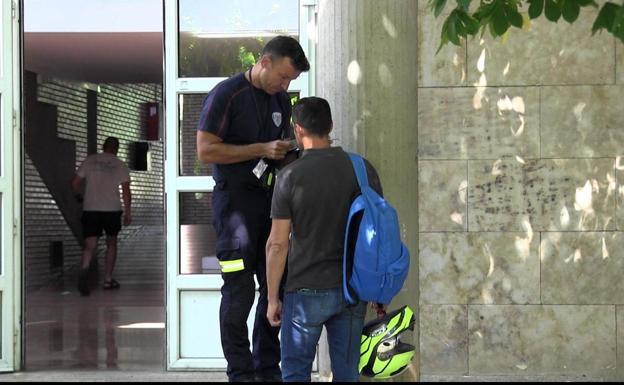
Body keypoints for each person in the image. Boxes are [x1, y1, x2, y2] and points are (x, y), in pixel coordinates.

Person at [196, 35, 310, 382]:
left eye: (291, 80)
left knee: (274, 289)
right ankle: (241, 373)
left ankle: (266, 369)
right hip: (234, 209)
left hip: (270, 205)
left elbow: (281, 154)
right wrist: (260, 148)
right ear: (264, 62)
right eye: (283, 76)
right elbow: (206, 150)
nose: (285, 85)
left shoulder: (280, 100)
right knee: (239, 291)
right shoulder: (226, 94)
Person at [265, 97, 384, 382]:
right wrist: (379, 292)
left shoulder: (290, 176)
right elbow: (377, 233)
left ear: (298, 130)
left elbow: (277, 244)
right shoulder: (362, 169)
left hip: (305, 291)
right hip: (352, 290)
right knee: (347, 375)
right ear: (330, 126)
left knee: (295, 373)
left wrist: (272, 298)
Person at [71, 136, 131, 296]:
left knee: (90, 245)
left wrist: (79, 197)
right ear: (117, 149)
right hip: (111, 210)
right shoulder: (120, 164)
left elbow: (75, 183)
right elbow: (126, 190)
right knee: (111, 243)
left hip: (91, 209)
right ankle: (108, 280)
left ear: (103, 146)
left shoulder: (90, 161)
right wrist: (128, 211)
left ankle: (84, 268)